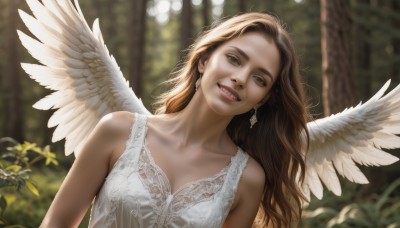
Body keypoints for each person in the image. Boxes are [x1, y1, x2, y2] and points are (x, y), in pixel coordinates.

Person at [40, 12, 309, 228]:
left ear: (261, 99)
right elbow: (57, 222)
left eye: (259, 79)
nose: (240, 78)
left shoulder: (247, 179)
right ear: (204, 60)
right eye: (234, 59)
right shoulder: (118, 130)